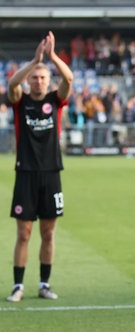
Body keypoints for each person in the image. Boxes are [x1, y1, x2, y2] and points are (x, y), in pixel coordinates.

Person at [6, 31, 73, 302]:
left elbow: (68, 79)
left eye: (43, 77)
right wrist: (35, 61)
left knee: (48, 232)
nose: (38, 80)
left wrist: (53, 56)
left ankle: (44, 284)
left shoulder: (55, 101)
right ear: (30, 79)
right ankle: (18, 285)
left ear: (48, 81)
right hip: (25, 173)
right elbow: (12, 84)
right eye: (35, 77)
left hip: (51, 173)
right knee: (24, 232)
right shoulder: (19, 102)